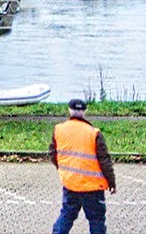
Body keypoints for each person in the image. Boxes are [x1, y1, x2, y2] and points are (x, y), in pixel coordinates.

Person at [51, 98, 116, 234]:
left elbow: (53, 153)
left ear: (69, 110)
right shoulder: (94, 133)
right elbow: (104, 160)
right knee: (96, 219)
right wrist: (111, 182)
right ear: (85, 111)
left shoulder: (59, 130)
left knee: (67, 215)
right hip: (92, 186)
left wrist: (63, 169)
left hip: (71, 183)